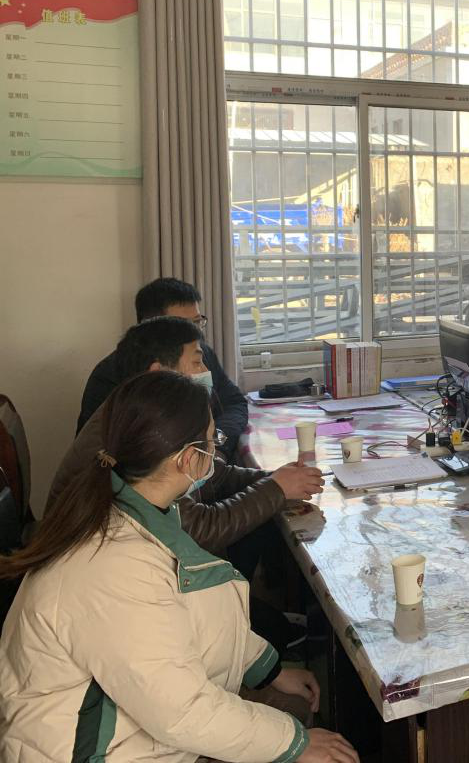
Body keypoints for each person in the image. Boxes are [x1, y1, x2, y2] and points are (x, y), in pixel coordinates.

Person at [0, 371, 358, 763]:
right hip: (98, 750)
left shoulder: (139, 510)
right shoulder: (112, 565)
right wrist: (295, 744)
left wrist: (266, 670)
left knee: (296, 710)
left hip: (128, 724)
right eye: (212, 441)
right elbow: (182, 713)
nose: (215, 452)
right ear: (189, 459)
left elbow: (191, 613)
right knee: (312, 741)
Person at [51, 316, 322, 562]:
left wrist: (274, 479)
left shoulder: (142, 411)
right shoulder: (139, 432)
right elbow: (200, 530)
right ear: (159, 372)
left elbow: (211, 475)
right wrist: (275, 489)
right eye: (196, 362)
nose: (206, 371)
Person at [78, 277, 247, 460]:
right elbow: (99, 456)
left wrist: (216, 447)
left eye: (197, 322)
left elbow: (234, 403)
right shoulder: (110, 376)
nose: (194, 333)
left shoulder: (202, 354)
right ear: (151, 326)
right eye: (182, 325)